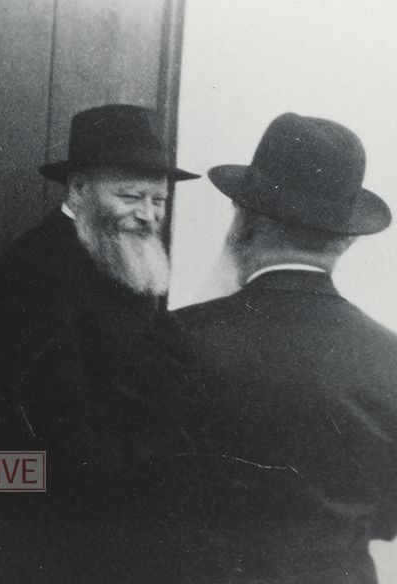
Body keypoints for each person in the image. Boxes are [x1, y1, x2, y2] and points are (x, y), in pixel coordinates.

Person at [169, 112, 397, 583]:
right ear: (346, 241)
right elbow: (388, 518)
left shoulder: (180, 337)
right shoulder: (389, 356)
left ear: (243, 222)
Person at [0, 104, 198, 583]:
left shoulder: (124, 253)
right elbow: (58, 431)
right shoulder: (35, 272)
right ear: (78, 189)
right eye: (130, 197)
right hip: (70, 530)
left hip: (124, 517)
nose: (148, 215)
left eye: (158, 200)